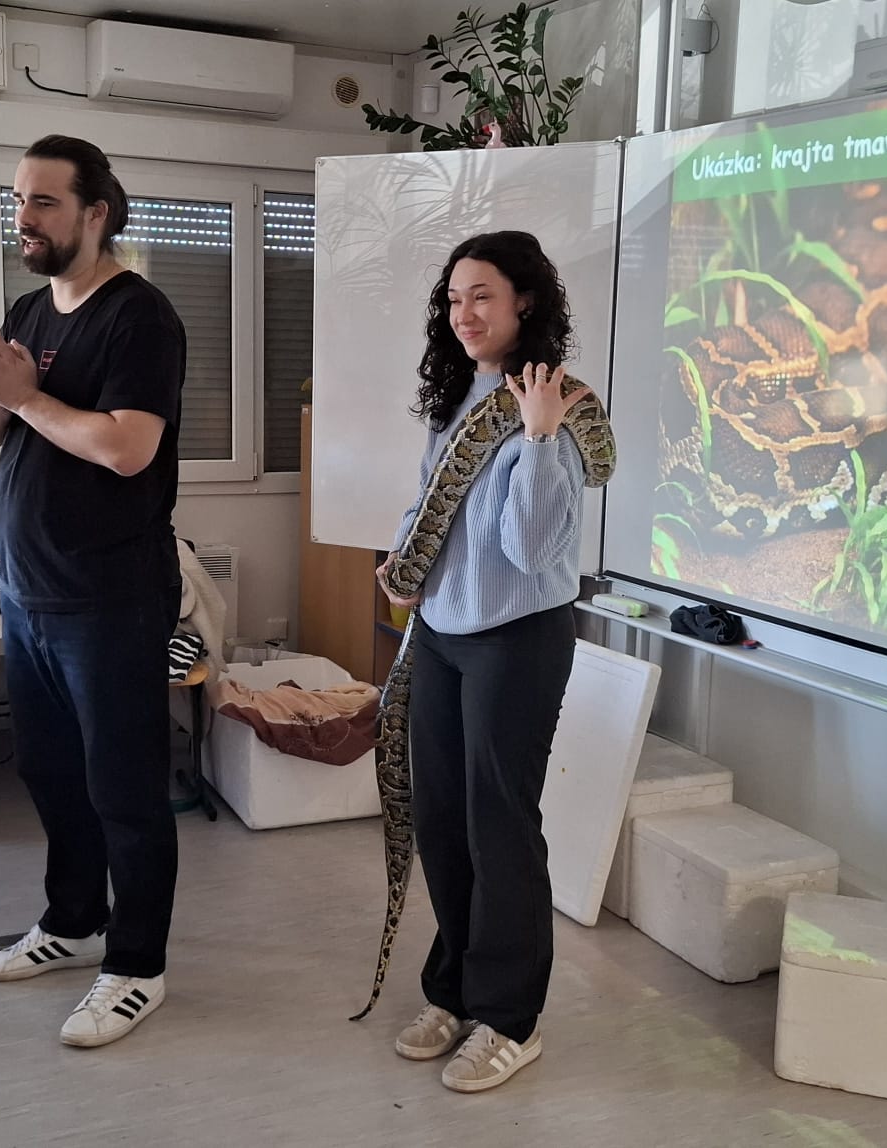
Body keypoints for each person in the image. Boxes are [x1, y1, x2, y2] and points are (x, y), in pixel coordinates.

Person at [0, 135, 187, 1049]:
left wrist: (22, 397)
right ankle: (75, 920)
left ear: (97, 212)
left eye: (44, 201)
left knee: (125, 789)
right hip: (28, 593)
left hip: (110, 598)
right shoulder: (26, 309)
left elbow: (127, 448)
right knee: (50, 772)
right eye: (19, 200)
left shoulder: (141, 318)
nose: (24, 217)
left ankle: (137, 967)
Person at [379, 231, 606, 1093]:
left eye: (483, 296)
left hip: (516, 636)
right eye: (454, 299)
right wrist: (402, 562)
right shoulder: (457, 396)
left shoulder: (561, 406)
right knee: (441, 819)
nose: (464, 314)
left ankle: (510, 1019)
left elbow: (529, 547)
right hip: (441, 630)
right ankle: (455, 990)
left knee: (499, 824)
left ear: (525, 303)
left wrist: (541, 439)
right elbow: (429, 501)